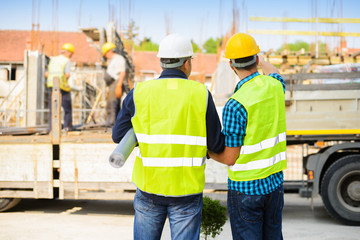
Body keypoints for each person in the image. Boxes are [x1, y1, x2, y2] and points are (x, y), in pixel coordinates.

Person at [112, 33, 224, 240]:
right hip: (186, 190)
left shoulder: (140, 92)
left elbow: (118, 135)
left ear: (162, 61)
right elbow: (217, 145)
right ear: (187, 63)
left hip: (149, 187)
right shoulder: (200, 93)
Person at [208, 33, 287, 240]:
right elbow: (275, 72)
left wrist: (207, 152)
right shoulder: (276, 86)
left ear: (231, 65)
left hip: (246, 190)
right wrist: (261, 59)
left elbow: (229, 158)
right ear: (257, 59)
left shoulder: (236, 104)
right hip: (274, 185)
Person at [45, 43, 75, 131]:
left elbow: (46, 74)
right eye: (71, 54)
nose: (71, 56)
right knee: (67, 109)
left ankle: (52, 129)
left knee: (53, 108)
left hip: (51, 85)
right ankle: (67, 127)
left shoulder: (53, 59)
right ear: (68, 52)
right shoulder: (66, 60)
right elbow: (67, 74)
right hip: (62, 87)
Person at [102, 42, 130, 127]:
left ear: (109, 51)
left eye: (105, 54)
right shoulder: (112, 61)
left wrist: (118, 85)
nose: (105, 56)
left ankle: (112, 123)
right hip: (111, 84)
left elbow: (122, 72)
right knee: (110, 103)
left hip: (116, 83)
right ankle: (111, 122)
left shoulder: (119, 59)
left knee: (113, 103)